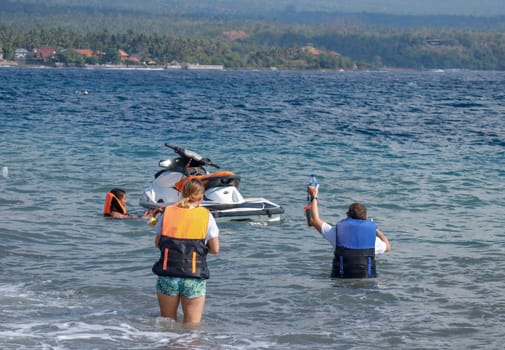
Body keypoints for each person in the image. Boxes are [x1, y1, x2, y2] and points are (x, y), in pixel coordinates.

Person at [152, 178, 220, 325]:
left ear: (182, 194)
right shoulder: (206, 216)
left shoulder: (167, 212)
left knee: (167, 323)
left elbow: (157, 243)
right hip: (193, 277)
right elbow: (215, 249)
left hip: (168, 275)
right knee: (192, 326)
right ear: (201, 197)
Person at [307, 185, 391, 278]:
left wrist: (314, 196)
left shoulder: (337, 233)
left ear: (348, 216)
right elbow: (387, 247)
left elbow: (314, 220)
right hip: (366, 282)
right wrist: (376, 231)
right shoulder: (373, 240)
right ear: (365, 219)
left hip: (341, 280)